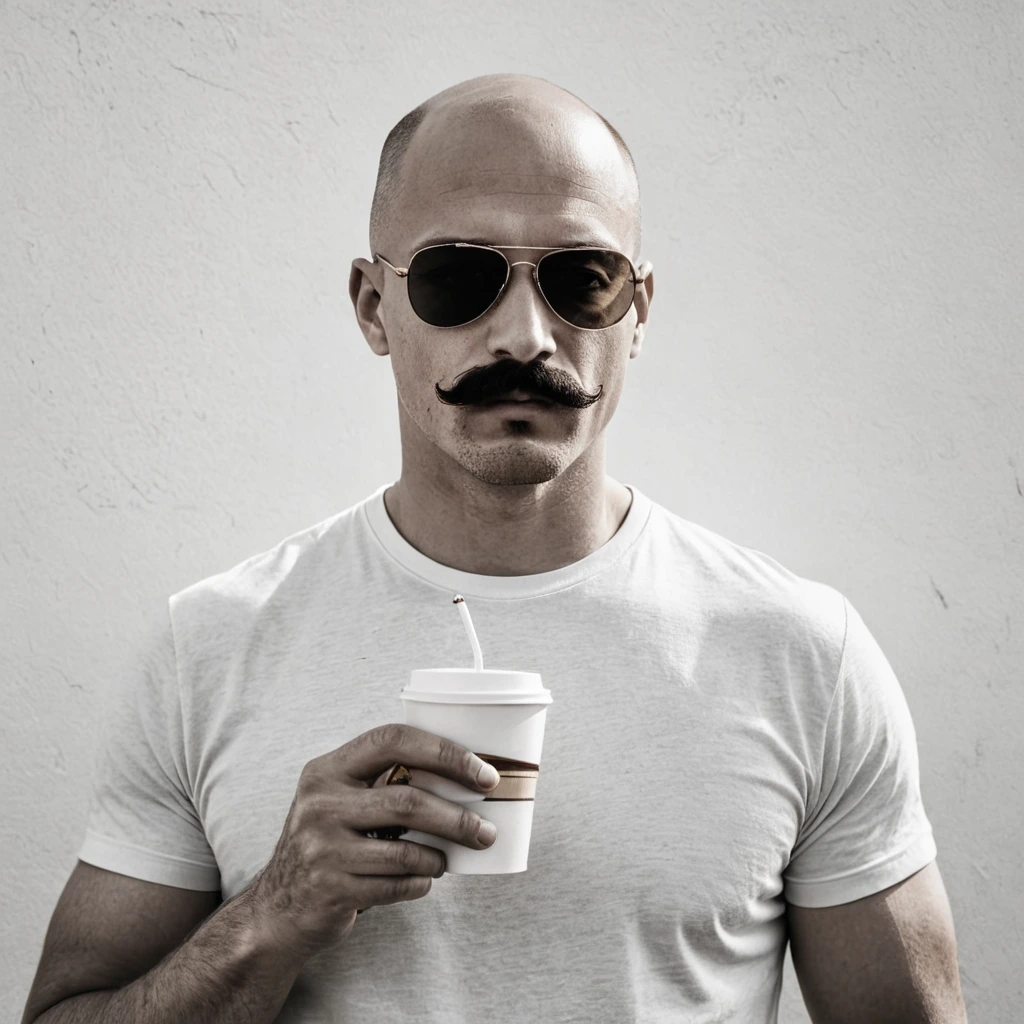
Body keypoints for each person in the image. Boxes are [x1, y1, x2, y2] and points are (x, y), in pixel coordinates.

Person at [22, 73, 966, 1024]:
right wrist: (275, 910)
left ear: (638, 312)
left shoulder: (799, 652)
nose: (524, 336)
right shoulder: (213, 648)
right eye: (456, 278)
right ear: (370, 306)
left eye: (582, 281)